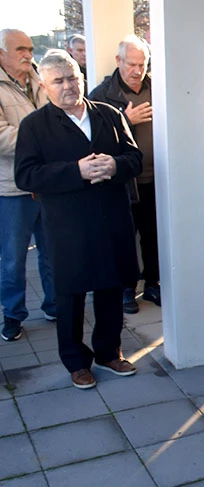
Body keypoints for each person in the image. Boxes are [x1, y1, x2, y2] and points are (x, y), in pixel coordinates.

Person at [14, 51, 141, 389]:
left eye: (73, 77)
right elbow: (26, 176)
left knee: (111, 289)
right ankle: (76, 361)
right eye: (59, 81)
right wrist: (76, 171)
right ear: (44, 86)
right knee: (69, 295)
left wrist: (116, 166)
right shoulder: (34, 126)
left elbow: (135, 158)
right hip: (68, 226)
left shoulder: (109, 114)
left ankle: (109, 352)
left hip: (111, 219)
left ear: (82, 77)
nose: (69, 86)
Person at [89, 35, 160, 314]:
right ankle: (127, 289)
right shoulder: (100, 95)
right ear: (118, 61)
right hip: (123, 183)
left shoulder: (158, 88)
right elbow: (93, 140)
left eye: (142, 64)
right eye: (131, 64)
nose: (137, 71)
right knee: (124, 237)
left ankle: (153, 283)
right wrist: (125, 121)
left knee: (154, 235)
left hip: (157, 178)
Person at [0, 29, 56, 342]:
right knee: (12, 258)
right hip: (11, 189)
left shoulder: (39, 80)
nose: (28, 54)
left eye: (31, 48)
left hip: (45, 185)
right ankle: (12, 314)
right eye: (20, 48)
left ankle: (53, 305)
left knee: (51, 251)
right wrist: (41, 142)